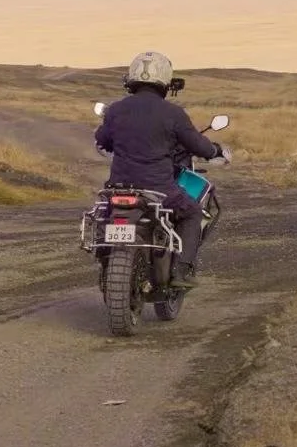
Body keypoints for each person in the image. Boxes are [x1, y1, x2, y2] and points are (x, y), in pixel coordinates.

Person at [94, 51, 230, 290]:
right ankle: (181, 271)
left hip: (118, 187)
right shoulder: (173, 113)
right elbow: (198, 145)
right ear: (165, 80)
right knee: (192, 213)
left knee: (104, 215)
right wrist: (215, 151)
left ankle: (106, 259)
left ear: (132, 78)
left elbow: (102, 140)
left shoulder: (115, 110)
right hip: (158, 189)